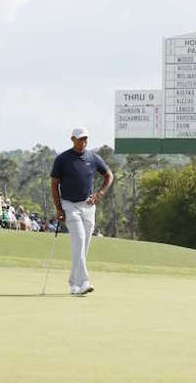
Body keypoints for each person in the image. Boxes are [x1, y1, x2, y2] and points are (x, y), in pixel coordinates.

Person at [50, 127, 113, 296]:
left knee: (83, 247)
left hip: (88, 207)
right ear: (72, 139)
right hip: (70, 205)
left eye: (86, 138)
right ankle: (84, 281)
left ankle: (73, 283)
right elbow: (54, 184)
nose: (84, 141)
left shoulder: (93, 158)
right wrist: (59, 208)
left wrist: (99, 194)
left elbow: (109, 175)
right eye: (80, 138)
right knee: (79, 239)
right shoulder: (62, 159)